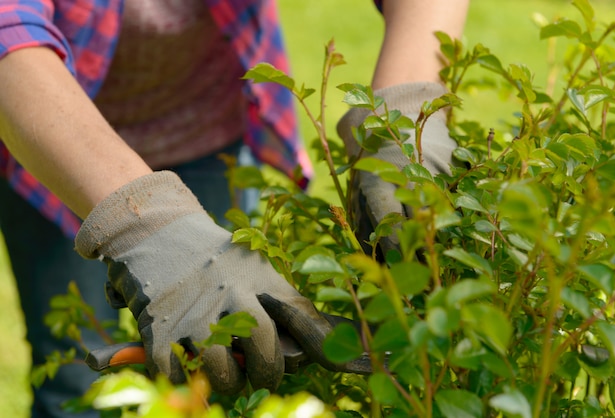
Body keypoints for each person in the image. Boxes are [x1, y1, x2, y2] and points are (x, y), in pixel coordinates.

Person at [0, 0, 469, 416]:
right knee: (76, 376)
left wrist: (403, 112)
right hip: (47, 140)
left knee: (222, 358)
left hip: (202, 127)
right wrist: (146, 222)